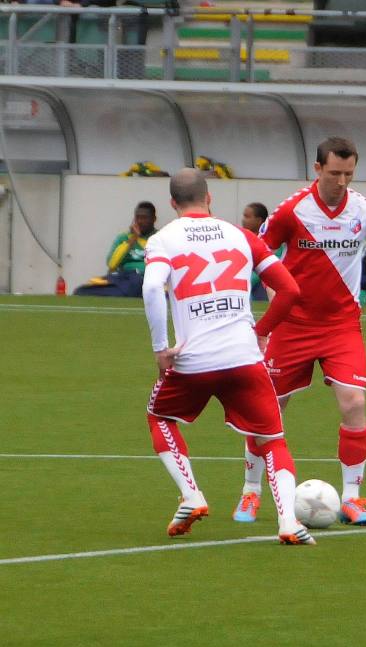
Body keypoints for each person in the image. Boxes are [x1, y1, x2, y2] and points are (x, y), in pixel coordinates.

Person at [142, 168, 314, 545]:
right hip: (243, 357)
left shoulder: (162, 240)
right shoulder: (243, 236)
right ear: (210, 198)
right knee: (273, 441)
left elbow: (153, 287)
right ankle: (288, 523)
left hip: (194, 362)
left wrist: (160, 348)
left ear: (173, 203)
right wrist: (263, 330)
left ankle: (191, 495)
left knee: (159, 417)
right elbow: (289, 289)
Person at [232, 136, 366, 526]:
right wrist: (275, 297)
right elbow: (260, 254)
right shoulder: (291, 211)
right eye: (335, 173)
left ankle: (352, 499)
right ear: (317, 169)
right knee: (269, 410)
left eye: (349, 174)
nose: (342, 181)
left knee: (354, 403)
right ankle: (251, 492)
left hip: (342, 325)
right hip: (293, 325)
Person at [74, 201, 158, 297]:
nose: (140, 221)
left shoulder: (160, 238)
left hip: (144, 278)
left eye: (144, 218)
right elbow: (111, 264)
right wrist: (132, 239)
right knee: (81, 291)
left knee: (136, 283)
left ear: (153, 219)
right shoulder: (124, 238)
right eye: (137, 217)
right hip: (123, 277)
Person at [241, 202, 270, 301]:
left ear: (259, 220)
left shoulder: (271, 241)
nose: (243, 220)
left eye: (247, 216)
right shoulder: (239, 238)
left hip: (262, 285)